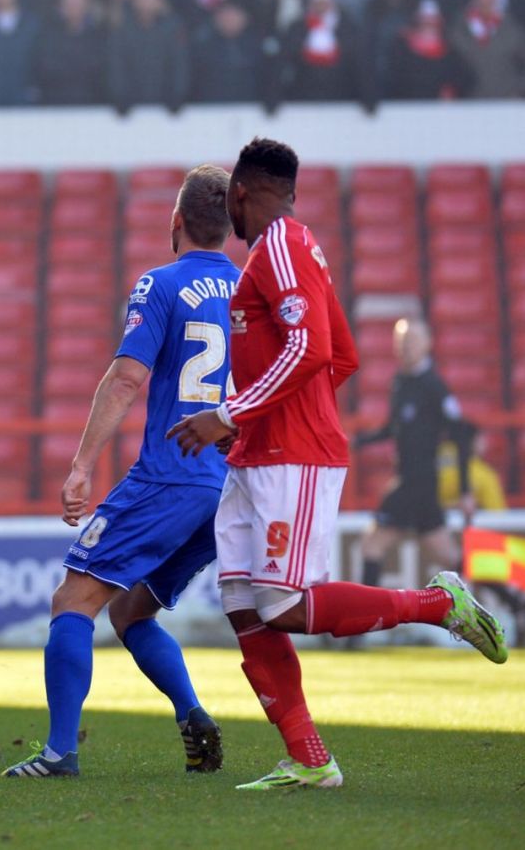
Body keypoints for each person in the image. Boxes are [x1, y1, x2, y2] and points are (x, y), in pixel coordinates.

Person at [169, 138, 507, 791]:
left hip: (289, 455)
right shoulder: (289, 248)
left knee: (283, 604)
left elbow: (312, 348)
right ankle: (309, 758)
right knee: (242, 603)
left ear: (241, 193)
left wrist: (233, 414)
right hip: (259, 452)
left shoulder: (280, 244)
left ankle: (439, 603)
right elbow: (343, 355)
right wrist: (255, 419)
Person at [5, 165, 239, 779]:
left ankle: (59, 752)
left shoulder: (160, 283)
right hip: (226, 487)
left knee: (74, 598)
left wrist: (82, 466)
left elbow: (127, 378)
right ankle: (192, 715)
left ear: (176, 221)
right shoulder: (250, 292)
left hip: (171, 473)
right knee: (131, 611)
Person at [354, 317, 476, 584]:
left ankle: (365, 614)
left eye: (411, 340)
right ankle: (512, 596)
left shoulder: (434, 386)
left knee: (372, 545)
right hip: (415, 484)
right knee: (449, 557)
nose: (405, 347)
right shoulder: (400, 381)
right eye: (401, 341)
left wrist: (465, 490)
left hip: (417, 483)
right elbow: (393, 428)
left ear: (427, 344)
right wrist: (358, 442)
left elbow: (461, 436)